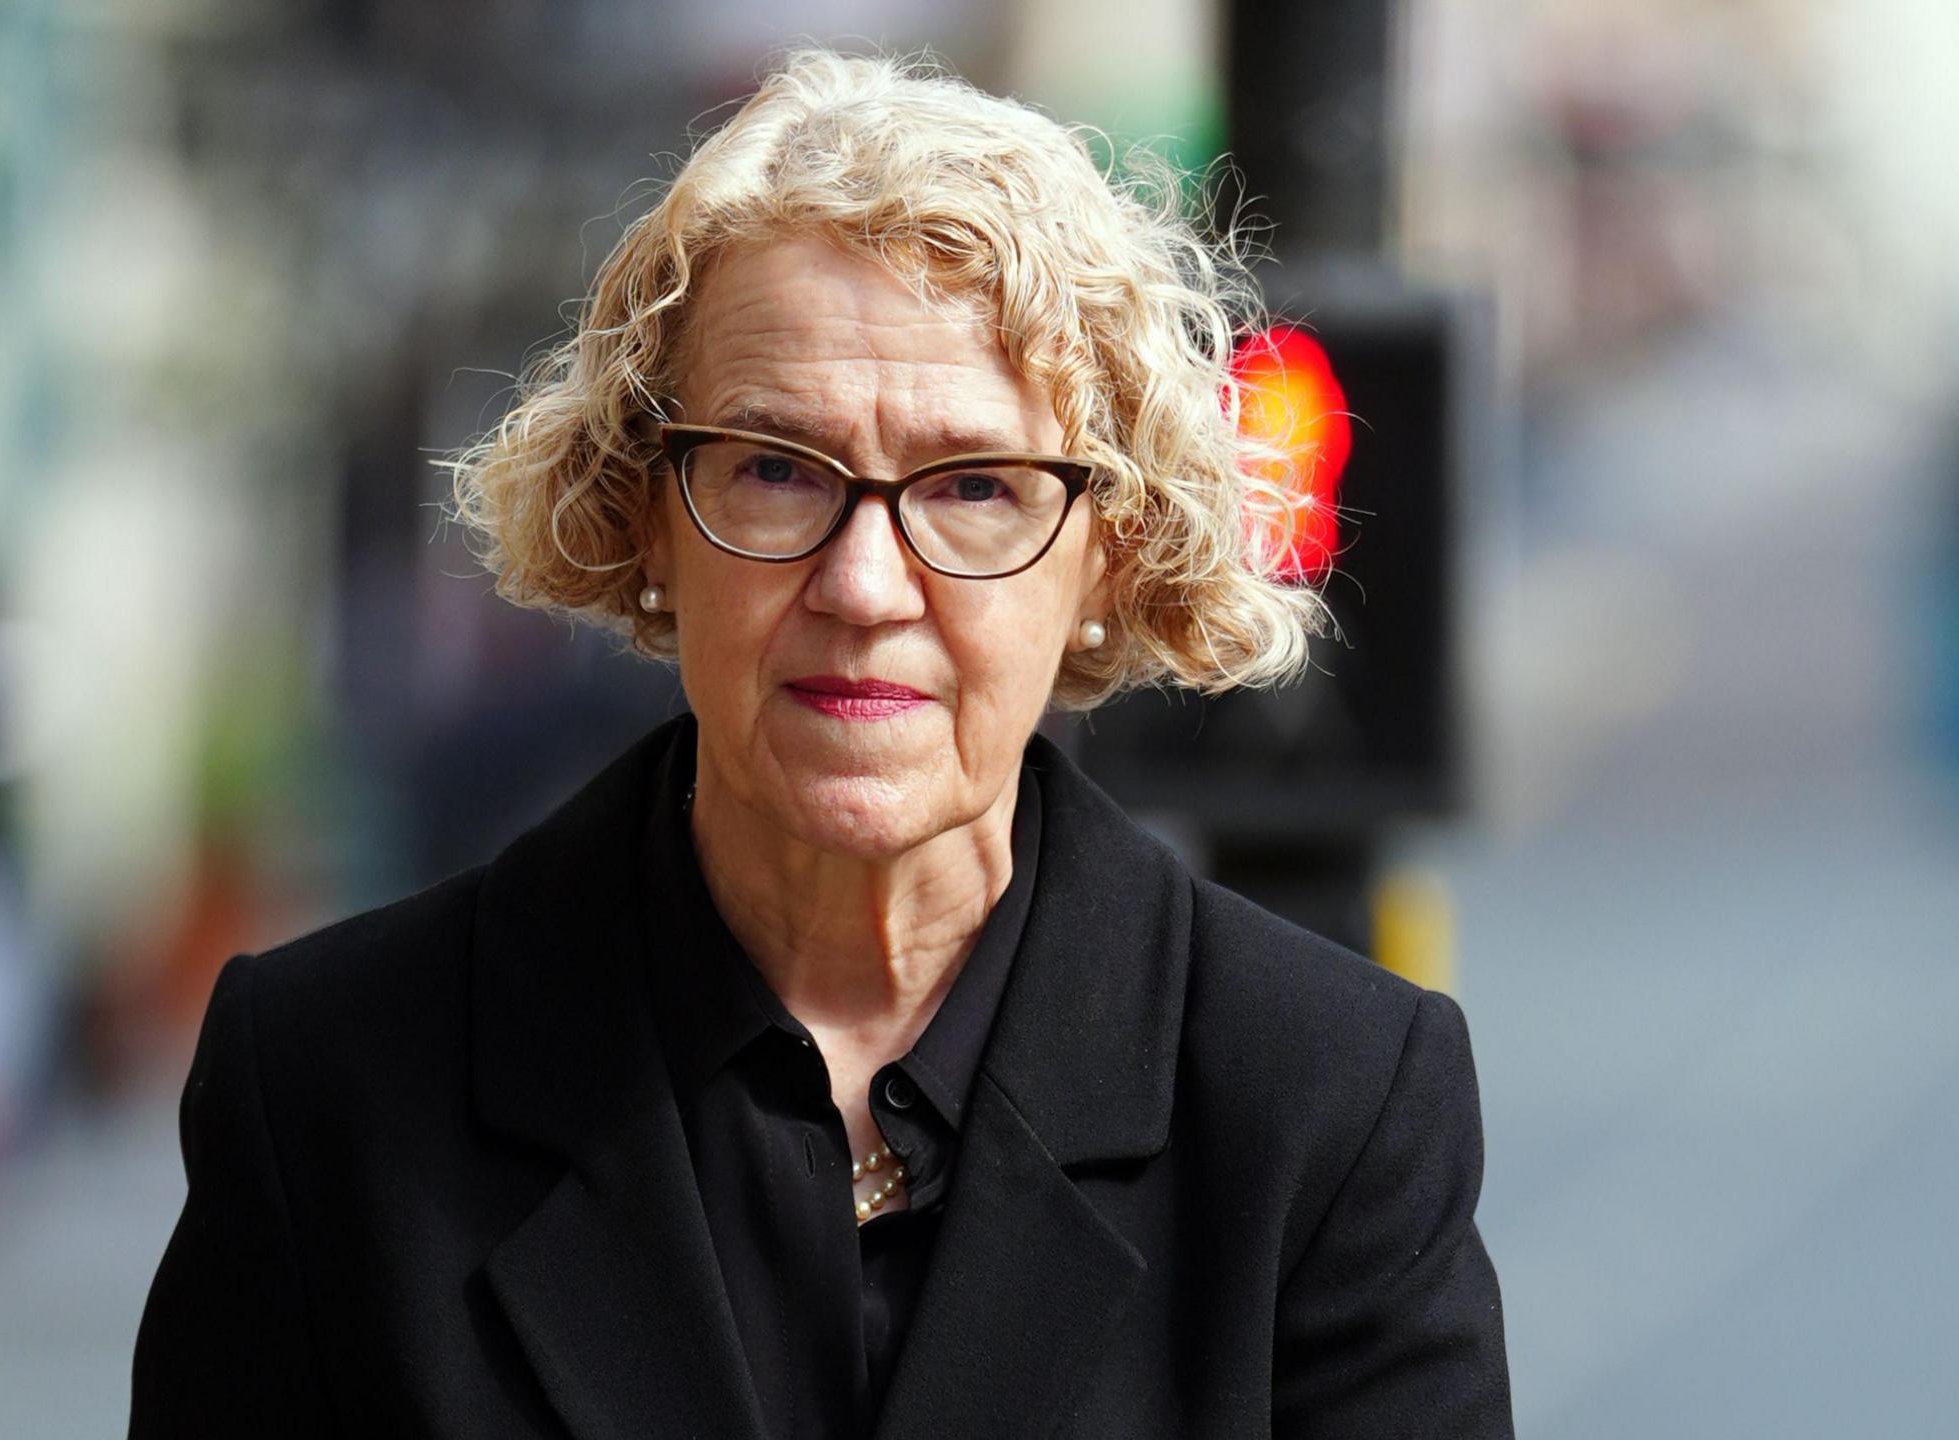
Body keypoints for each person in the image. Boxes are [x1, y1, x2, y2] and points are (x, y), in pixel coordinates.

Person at [131, 49, 1511, 1440]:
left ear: (1111, 554)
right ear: (644, 517)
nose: (863, 584)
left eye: (974, 486)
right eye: (776, 469)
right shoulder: (334, 1087)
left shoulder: (1326, 1103)